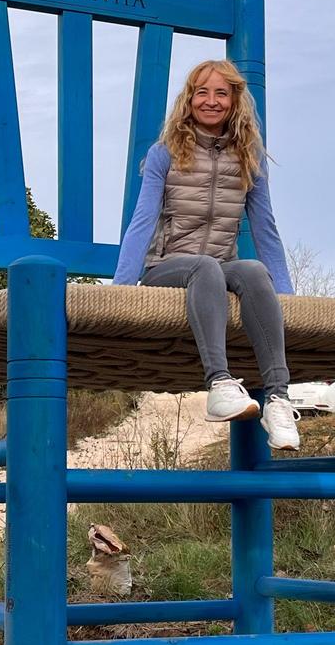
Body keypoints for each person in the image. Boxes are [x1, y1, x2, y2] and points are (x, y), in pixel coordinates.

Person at [113, 59, 299, 451]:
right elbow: (143, 220)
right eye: (202, 92)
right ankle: (219, 383)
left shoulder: (249, 158)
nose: (210, 101)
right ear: (189, 98)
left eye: (221, 93)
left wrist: (286, 293)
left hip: (218, 268)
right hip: (166, 268)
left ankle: (279, 399)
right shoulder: (166, 153)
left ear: (234, 101)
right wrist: (121, 288)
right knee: (205, 267)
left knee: (252, 271)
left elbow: (265, 227)